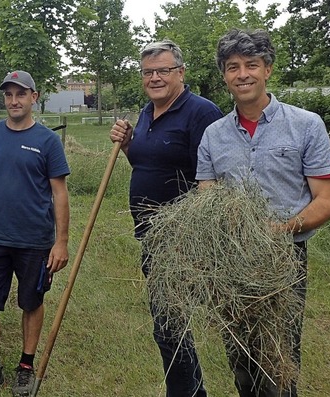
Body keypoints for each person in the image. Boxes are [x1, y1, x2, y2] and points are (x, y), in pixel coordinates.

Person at [196, 28, 330, 397]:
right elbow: (207, 196)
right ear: (224, 75)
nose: (242, 74)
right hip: (230, 257)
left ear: (268, 70)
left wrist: (277, 229)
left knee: (280, 351)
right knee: (240, 351)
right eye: (233, 67)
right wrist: (229, 231)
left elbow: (326, 200)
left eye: (251, 65)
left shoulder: (306, 125)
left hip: (284, 256)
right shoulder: (213, 135)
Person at [110, 40, 223, 397]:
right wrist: (128, 145)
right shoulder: (147, 112)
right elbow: (148, 164)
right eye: (148, 72)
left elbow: (214, 178)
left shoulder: (201, 113)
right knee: (170, 326)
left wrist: (195, 237)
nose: (155, 78)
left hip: (183, 239)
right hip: (152, 237)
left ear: (181, 73)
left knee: (170, 326)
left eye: (163, 70)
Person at [0, 70, 70, 397]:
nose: (14, 101)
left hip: (34, 240)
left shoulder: (47, 141)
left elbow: (59, 193)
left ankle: (25, 367)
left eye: (21, 94)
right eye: (8, 94)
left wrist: (60, 242)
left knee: (31, 302)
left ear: (34, 97)